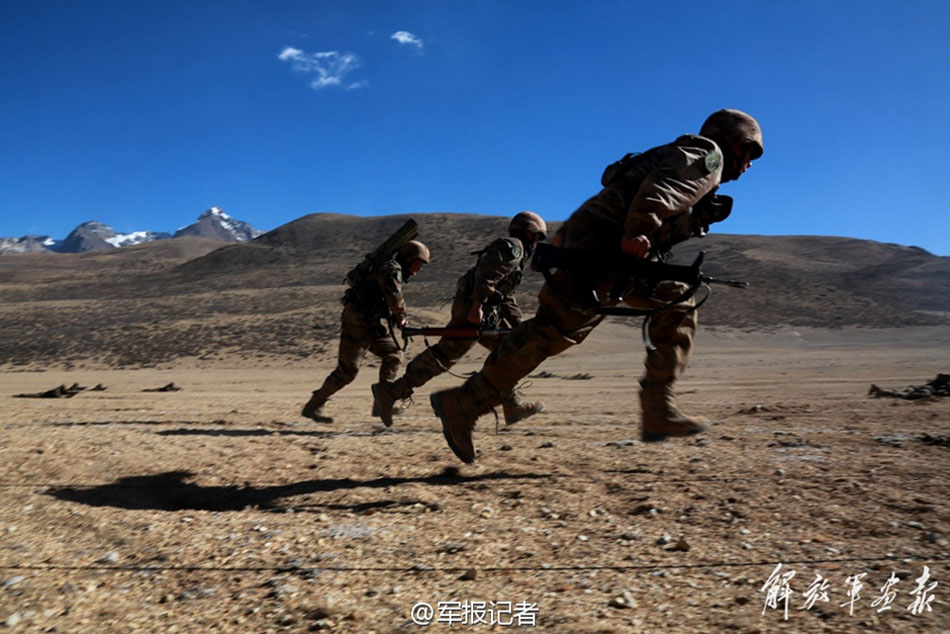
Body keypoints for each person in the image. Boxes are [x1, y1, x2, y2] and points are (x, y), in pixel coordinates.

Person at [430, 109, 764, 463]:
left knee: (553, 333)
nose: (749, 165)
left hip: (596, 251)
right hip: (606, 253)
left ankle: (464, 405)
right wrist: (640, 228)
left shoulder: (680, 153)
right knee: (665, 306)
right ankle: (656, 408)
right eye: (751, 153)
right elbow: (662, 188)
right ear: (734, 143)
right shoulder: (706, 155)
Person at [371, 211, 548, 427]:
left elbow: (505, 295)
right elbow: (486, 275)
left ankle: (511, 405)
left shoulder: (516, 255)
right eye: (538, 237)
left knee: (507, 353)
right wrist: (477, 306)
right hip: (474, 309)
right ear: (530, 233)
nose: (537, 243)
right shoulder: (514, 248)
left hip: (481, 309)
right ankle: (392, 393)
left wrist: (518, 324)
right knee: (447, 355)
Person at [301, 239, 430, 423]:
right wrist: (401, 317)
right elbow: (394, 295)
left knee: (393, 354)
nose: (419, 270)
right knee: (347, 372)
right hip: (357, 321)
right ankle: (313, 405)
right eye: (419, 264)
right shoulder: (391, 269)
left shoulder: (391, 268)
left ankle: (382, 402)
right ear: (409, 259)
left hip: (370, 322)